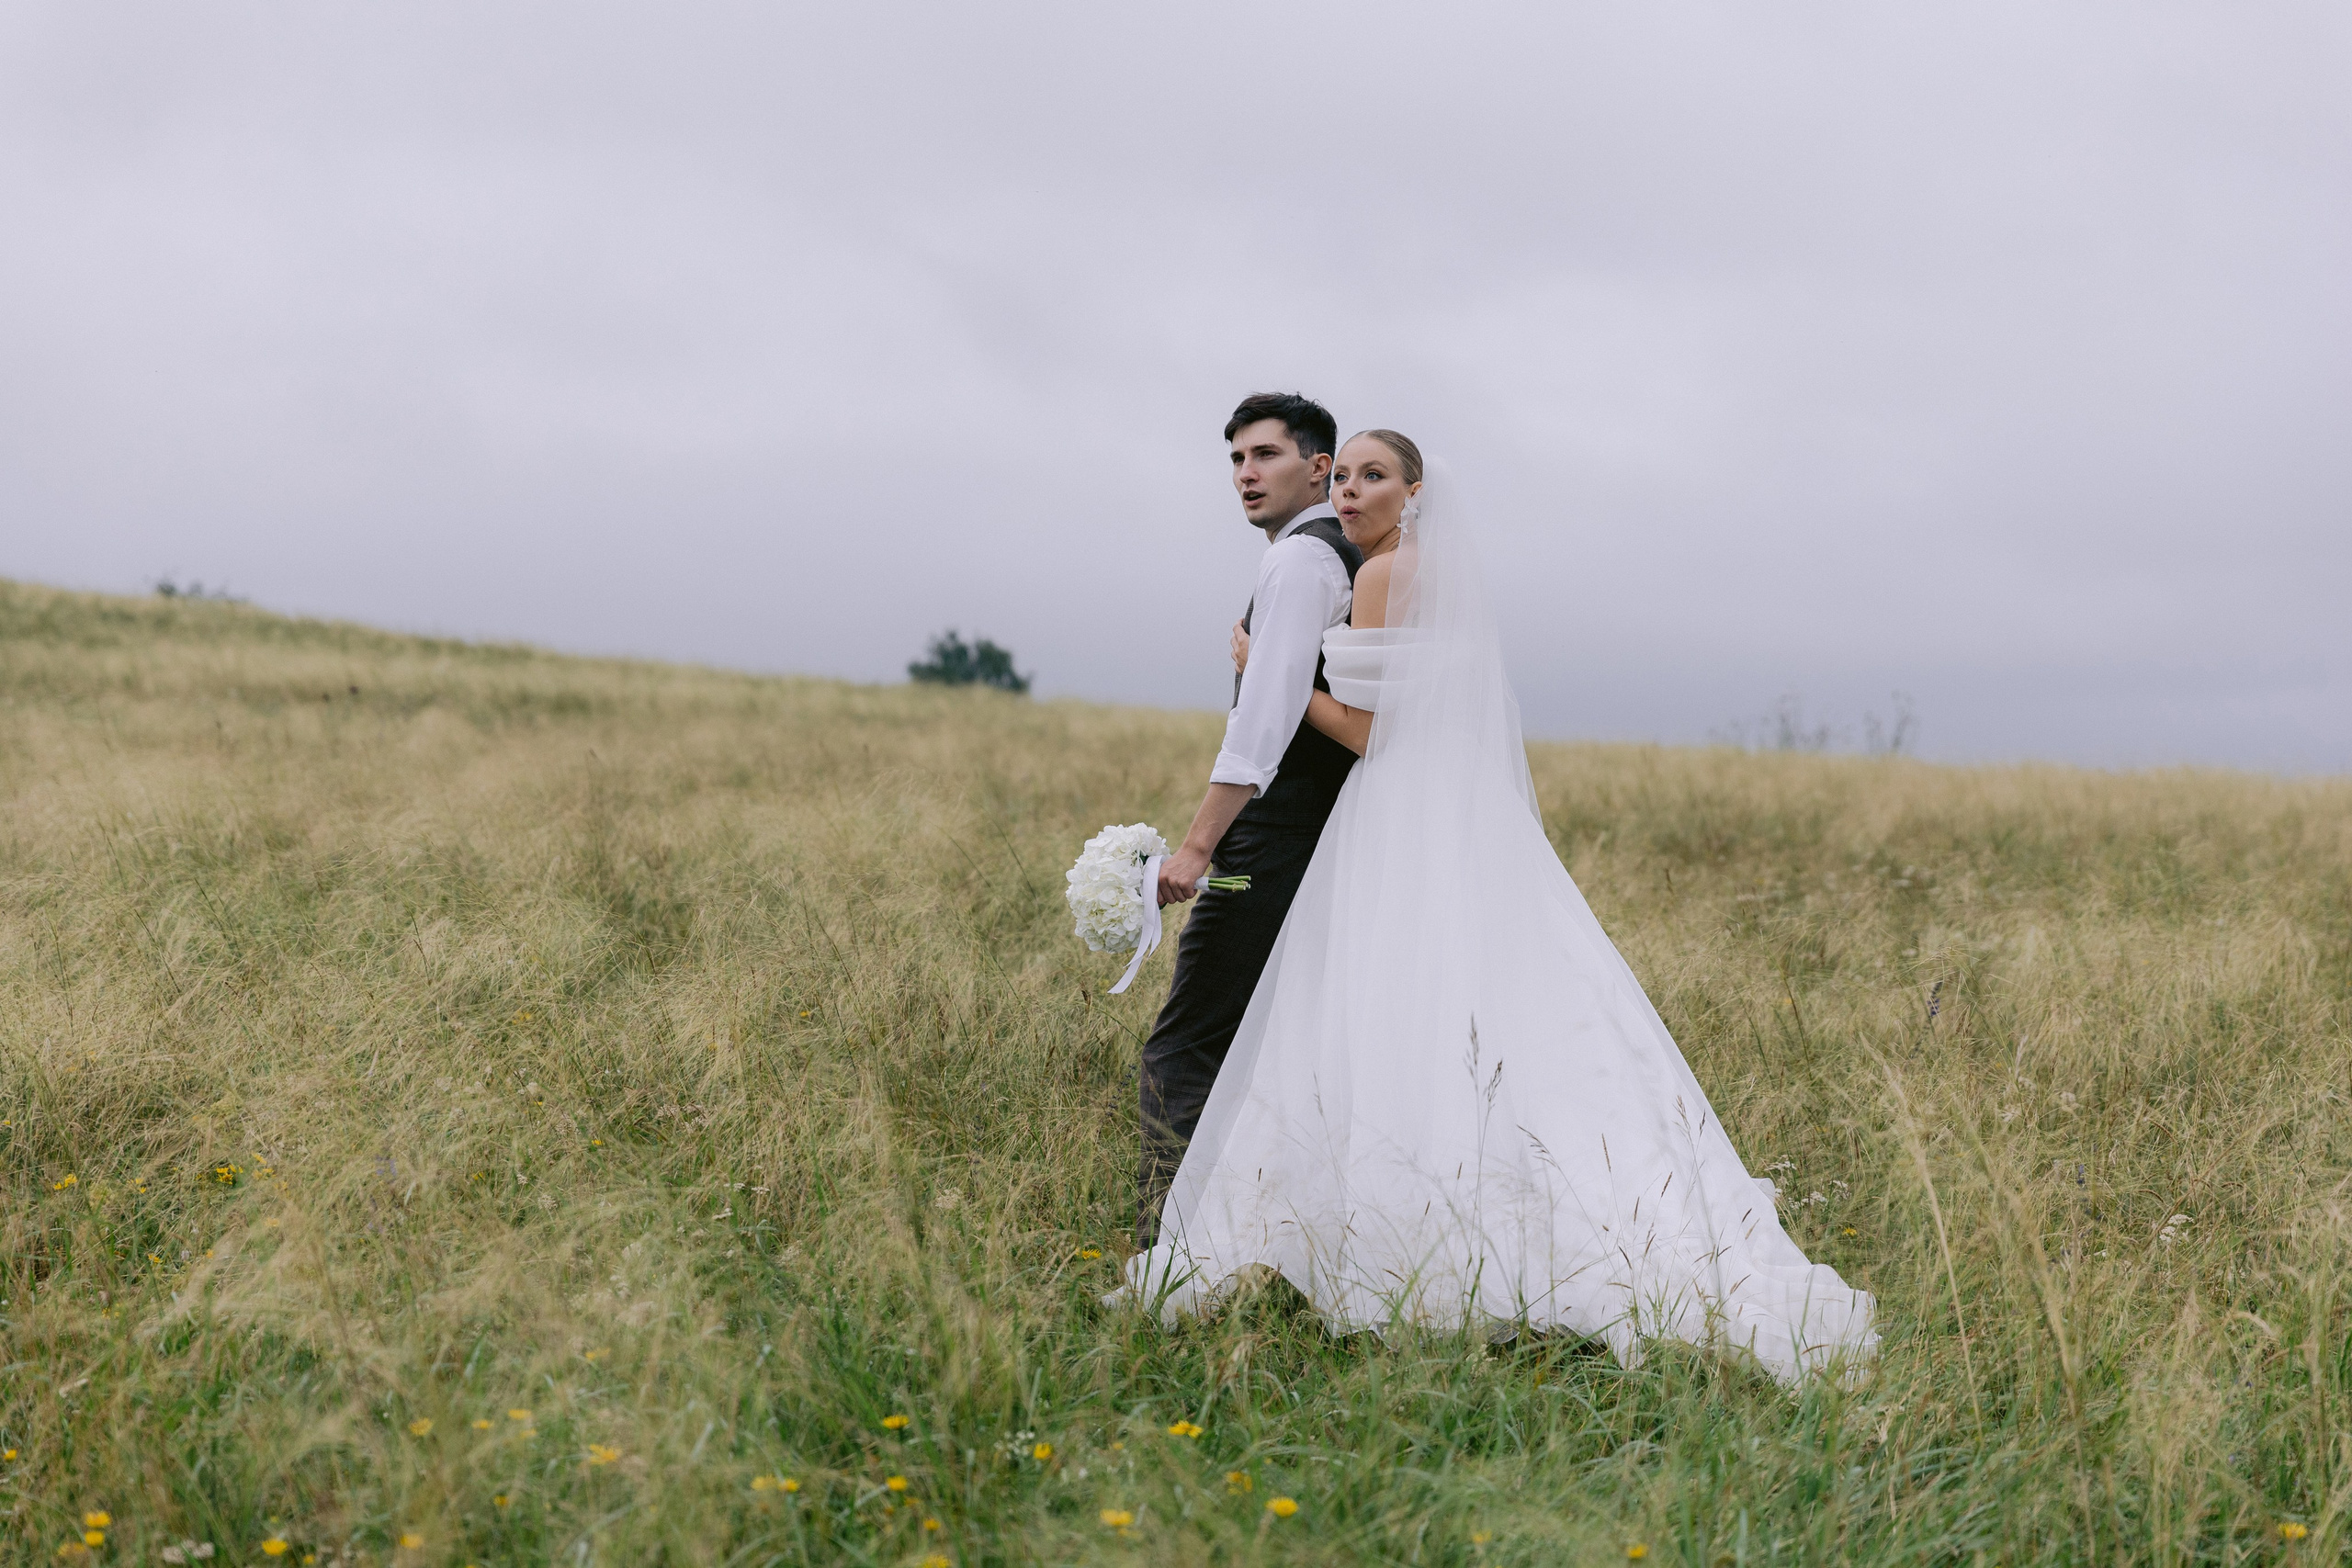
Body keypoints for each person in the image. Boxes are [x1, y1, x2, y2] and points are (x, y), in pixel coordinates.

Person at [1119, 430, 1878, 1385]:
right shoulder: (1418, 568)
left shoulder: (1387, 574)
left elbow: (1365, 729)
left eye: (1372, 478)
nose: (1351, 494)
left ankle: (1408, 1235)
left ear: (1414, 490)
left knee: (1392, 997)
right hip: (1454, 803)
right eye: (1345, 478)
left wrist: (1278, 662)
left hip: (1399, 802)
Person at [1136, 391, 1362, 1247]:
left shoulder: (1303, 563)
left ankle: (1186, 1243)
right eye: (1235, 460)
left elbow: (1260, 727)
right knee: (1268, 1043)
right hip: (1317, 835)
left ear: (1317, 468)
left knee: (1186, 1048)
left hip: (1269, 839)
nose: (1244, 474)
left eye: (1264, 456)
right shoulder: (1337, 557)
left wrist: (1197, 846)